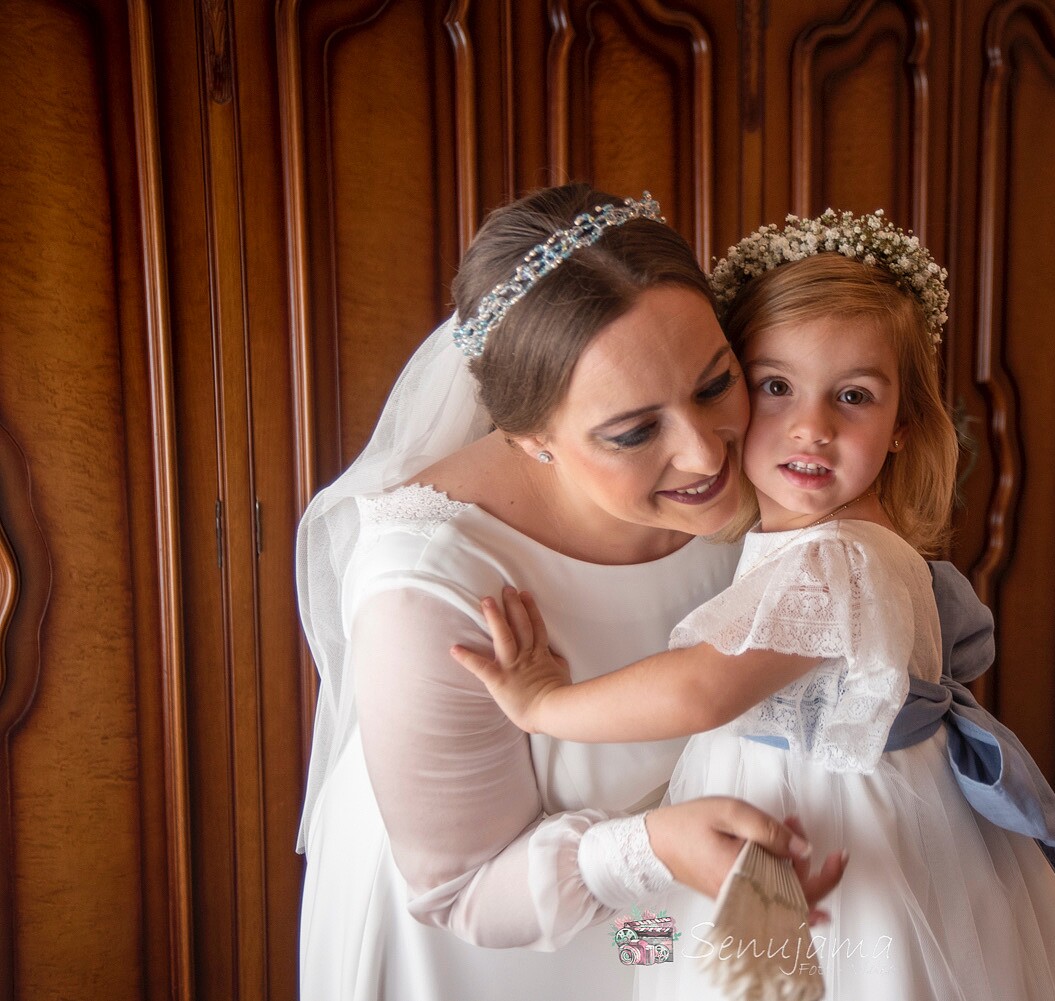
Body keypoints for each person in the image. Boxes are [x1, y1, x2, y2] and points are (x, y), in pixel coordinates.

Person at [295, 186, 985, 1000]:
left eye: (715, 382)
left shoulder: (783, 481)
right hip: (501, 949)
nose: (704, 457)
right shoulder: (428, 591)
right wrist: (651, 850)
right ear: (531, 440)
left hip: (677, 923)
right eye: (632, 432)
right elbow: (461, 892)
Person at [455, 210, 1055, 999]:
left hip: (837, 850)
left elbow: (700, 687)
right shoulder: (817, 544)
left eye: (854, 396)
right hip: (779, 842)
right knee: (699, 965)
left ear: (902, 425)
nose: (812, 426)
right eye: (776, 386)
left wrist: (542, 702)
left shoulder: (837, 560)